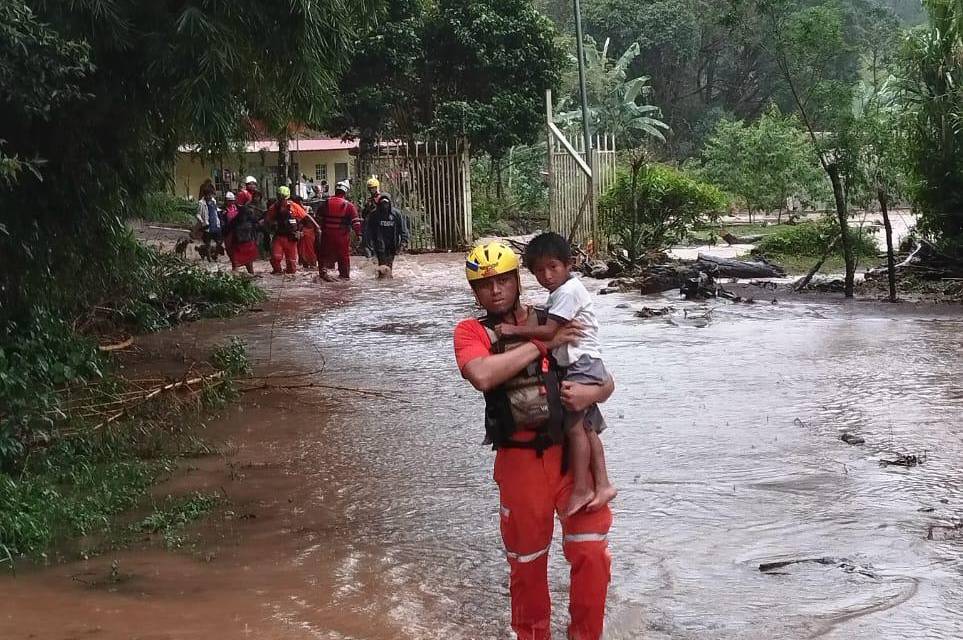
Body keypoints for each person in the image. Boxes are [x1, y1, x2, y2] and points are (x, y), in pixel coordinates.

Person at [453, 241, 615, 640]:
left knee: (592, 553)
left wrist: (592, 395)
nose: (496, 290)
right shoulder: (471, 331)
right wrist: (543, 344)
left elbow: (605, 378)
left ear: (518, 281)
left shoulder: (555, 315)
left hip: (570, 456)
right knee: (526, 563)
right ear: (475, 291)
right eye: (485, 284)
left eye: (504, 280)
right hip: (519, 463)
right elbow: (483, 375)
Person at [495, 232, 617, 517]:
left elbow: (550, 331)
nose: (546, 275)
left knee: (576, 428)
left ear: (569, 264)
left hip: (581, 364)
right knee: (587, 428)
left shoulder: (567, 292)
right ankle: (603, 484)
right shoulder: (562, 292)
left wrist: (513, 330)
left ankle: (583, 488)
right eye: (539, 270)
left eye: (553, 267)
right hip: (587, 362)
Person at [263, 186, 321, 274]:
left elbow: (306, 216)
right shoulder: (273, 208)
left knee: (291, 264)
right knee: (276, 258)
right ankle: (277, 273)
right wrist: (270, 229)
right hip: (279, 237)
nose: (282, 200)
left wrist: (317, 227)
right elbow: (267, 221)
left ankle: (290, 276)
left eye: (283, 198)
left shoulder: (294, 206)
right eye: (280, 198)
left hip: (291, 238)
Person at [316, 181, 363, 281]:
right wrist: (359, 234)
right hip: (342, 237)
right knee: (344, 258)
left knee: (323, 256)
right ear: (345, 192)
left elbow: (318, 218)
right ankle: (344, 276)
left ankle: (323, 273)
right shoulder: (349, 206)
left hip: (326, 236)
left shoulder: (325, 203)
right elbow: (356, 223)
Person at [363, 177, 409, 277]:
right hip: (378, 245)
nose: (384, 206)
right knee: (382, 268)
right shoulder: (374, 214)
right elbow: (368, 230)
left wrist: (403, 243)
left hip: (392, 245)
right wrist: (367, 245)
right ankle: (382, 286)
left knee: (389, 267)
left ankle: (387, 286)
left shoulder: (396, 214)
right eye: (382, 203)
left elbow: (403, 230)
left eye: (386, 203)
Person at [223, 201, 259, 274]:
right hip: (241, 246)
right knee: (245, 265)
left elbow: (226, 233)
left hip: (244, 245)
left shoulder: (236, 221)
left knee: (238, 266)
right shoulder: (248, 220)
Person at [195, 183, 223, 262]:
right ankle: (209, 257)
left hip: (215, 224)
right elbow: (198, 214)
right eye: (208, 195)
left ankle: (215, 255)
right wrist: (202, 222)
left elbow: (216, 210)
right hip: (207, 226)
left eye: (210, 195)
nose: (209, 196)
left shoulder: (213, 201)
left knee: (219, 242)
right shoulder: (201, 203)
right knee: (208, 244)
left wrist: (221, 212)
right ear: (205, 195)